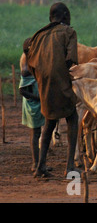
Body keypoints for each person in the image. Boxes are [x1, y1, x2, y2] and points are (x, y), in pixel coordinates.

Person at [26, 2, 79, 177]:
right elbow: (71, 58)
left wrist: (41, 78)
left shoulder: (38, 35)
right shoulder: (69, 32)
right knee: (72, 117)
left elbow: (30, 61)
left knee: (49, 122)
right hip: (61, 81)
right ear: (64, 15)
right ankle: (70, 165)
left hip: (43, 82)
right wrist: (66, 76)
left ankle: (40, 166)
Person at [19, 40, 46, 173]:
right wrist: (39, 98)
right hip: (32, 105)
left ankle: (39, 163)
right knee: (35, 134)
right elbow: (22, 91)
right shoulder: (27, 70)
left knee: (38, 133)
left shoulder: (31, 65)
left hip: (37, 103)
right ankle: (36, 164)